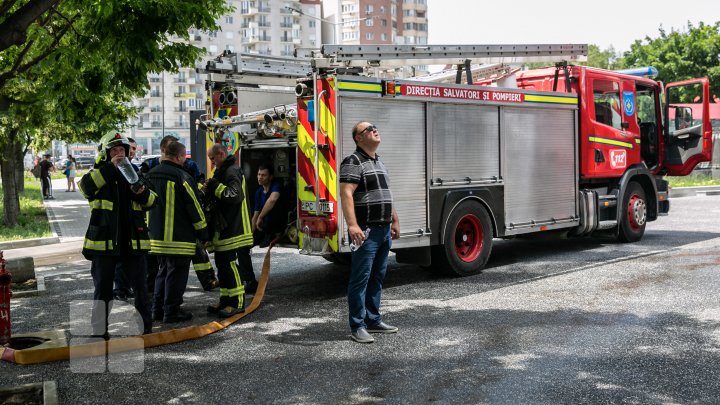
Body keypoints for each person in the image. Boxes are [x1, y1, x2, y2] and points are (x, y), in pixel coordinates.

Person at [78, 132, 157, 337]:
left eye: (122, 150)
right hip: (104, 245)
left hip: (133, 242)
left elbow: (152, 202)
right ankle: (98, 331)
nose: (119, 154)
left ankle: (145, 328)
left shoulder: (135, 173)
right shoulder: (99, 174)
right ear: (106, 154)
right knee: (103, 291)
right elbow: (85, 188)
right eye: (115, 150)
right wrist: (110, 168)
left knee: (141, 289)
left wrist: (142, 193)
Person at [339, 121, 400, 344]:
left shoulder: (379, 161)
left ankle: (373, 320)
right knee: (360, 279)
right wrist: (352, 225)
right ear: (358, 138)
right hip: (366, 230)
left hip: (383, 230)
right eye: (368, 129)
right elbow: (346, 193)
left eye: (375, 127)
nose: (375, 129)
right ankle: (357, 325)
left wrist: (394, 220)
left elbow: (385, 193)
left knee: (377, 276)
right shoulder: (352, 161)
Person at [142, 135, 217, 292]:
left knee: (165, 271)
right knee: (171, 274)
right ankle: (170, 311)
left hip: (160, 234)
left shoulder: (185, 167)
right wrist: (203, 232)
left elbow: (197, 185)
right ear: (164, 150)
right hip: (175, 234)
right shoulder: (155, 168)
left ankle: (207, 280)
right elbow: (192, 205)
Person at [145, 141, 208, 323]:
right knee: (176, 275)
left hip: (156, 239)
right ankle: (171, 311)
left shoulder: (150, 174)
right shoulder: (182, 177)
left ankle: (157, 310)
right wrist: (203, 232)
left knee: (162, 272)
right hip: (179, 239)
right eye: (184, 157)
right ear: (180, 156)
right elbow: (194, 208)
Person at [204, 144, 253, 317]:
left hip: (234, 229)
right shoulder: (223, 171)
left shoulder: (231, 171)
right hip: (225, 228)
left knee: (230, 266)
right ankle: (225, 301)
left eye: (213, 158)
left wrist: (215, 186)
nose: (212, 162)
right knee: (223, 266)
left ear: (222, 154)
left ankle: (237, 303)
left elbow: (234, 195)